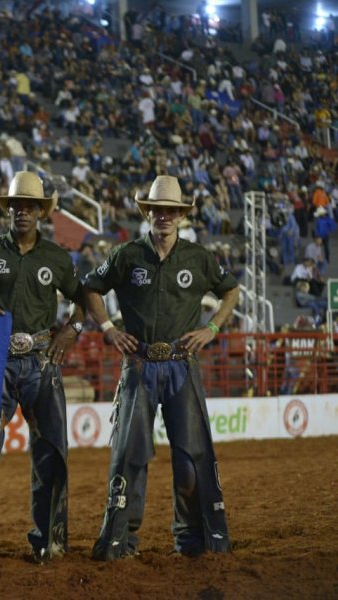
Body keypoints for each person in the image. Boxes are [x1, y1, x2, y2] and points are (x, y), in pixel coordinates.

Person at [83, 175, 238, 560]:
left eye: (170, 210)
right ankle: (122, 540)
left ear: (180, 216)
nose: (163, 216)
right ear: (148, 212)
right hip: (139, 366)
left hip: (181, 365)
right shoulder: (126, 255)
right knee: (131, 455)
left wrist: (212, 328)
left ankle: (191, 540)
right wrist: (107, 329)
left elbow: (230, 290)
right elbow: (90, 287)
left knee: (190, 458)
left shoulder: (199, 258)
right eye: (157, 210)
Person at [0, 171, 85, 564]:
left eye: (29, 206)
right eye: (15, 206)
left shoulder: (56, 257)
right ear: (7, 210)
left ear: (41, 213)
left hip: (42, 358)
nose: (21, 212)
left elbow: (82, 300)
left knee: (50, 449)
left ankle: (50, 536)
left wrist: (72, 329)